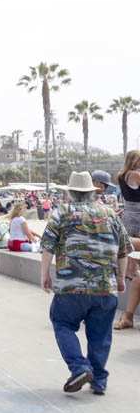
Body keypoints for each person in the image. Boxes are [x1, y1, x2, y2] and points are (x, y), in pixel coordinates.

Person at [40, 172, 131, 395]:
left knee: (62, 323)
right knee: (100, 335)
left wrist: (45, 275)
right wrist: (120, 278)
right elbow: (123, 250)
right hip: (105, 288)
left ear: (70, 192)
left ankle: (79, 367)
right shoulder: (110, 213)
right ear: (92, 192)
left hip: (71, 287)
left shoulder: (62, 212)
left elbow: (48, 247)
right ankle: (99, 380)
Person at [114, 152, 140, 331]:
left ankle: (128, 316)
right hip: (138, 220)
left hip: (129, 219)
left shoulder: (122, 176)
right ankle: (128, 316)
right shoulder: (135, 175)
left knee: (136, 272)